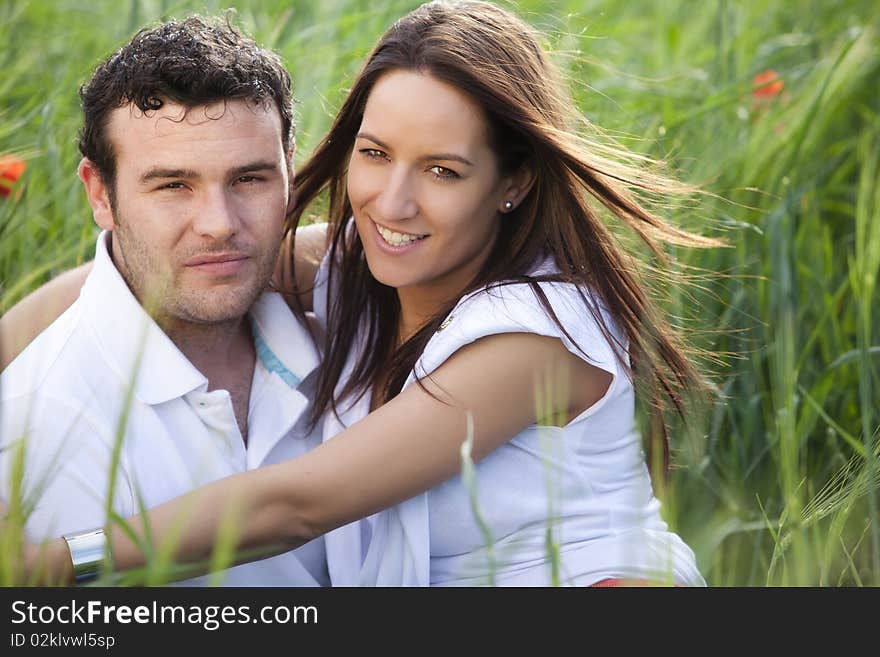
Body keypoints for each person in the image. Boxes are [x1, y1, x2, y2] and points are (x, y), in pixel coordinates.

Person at [3, 0, 713, 586]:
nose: (392, 204)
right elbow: (140, 271)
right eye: (375, 155)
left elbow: (298, 505)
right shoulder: (365, 268)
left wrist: (48, 564)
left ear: (513, 181)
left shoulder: (531, 334)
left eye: (442, 171)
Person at [0, 16, 329, 586]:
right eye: (173, 185)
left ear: (289, 174)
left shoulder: (346, 329)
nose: (219, 225)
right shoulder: (44, 425)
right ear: (100, 194)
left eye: (249, 179)